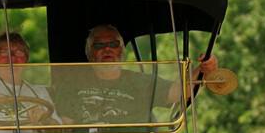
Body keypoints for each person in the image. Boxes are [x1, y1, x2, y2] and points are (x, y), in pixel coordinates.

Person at [61, 24, 218, 123]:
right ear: (90, 54)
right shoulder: (72, 85)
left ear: (122, 50)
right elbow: (64, 125)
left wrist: (202, 70)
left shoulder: (141, 82)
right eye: (99, 45)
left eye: (113, 44)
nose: (107, 49)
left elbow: (178, 93)